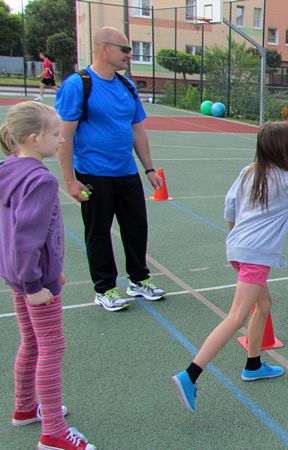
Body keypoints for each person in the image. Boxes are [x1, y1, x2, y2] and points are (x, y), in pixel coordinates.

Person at [172, 122, 288, 412]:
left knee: (263, 305)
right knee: (236, 317)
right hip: (254, 255)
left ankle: (253, 365)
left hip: (237, 247)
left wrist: (236, 240)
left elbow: (229, 206)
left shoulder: (249, 171)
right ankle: (191, 374)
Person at [0, 101, 96, 450]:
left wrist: (48, 272)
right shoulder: (39, 179)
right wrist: (36, 284)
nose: (60, 140)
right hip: (32, 283)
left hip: (22, 277)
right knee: (51, 348)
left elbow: (14, 234)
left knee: (31, 343)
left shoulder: (9, 168)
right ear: (31, 137)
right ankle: (54, 433)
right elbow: (27, 236)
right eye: (55, 134)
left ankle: (25, 408)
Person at [56, 27, 165, 312]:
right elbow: (64, 136)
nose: (129, 55)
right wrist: (69, 180)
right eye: (124, 49)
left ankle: (139, 280)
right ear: (104, 49)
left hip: (126, 172)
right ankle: (104, 288)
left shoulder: (127, 86)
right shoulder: (78, 84)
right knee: (99, 232)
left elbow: (138, 130)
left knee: (136, 228)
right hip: (93, 173)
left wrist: (149, 169)